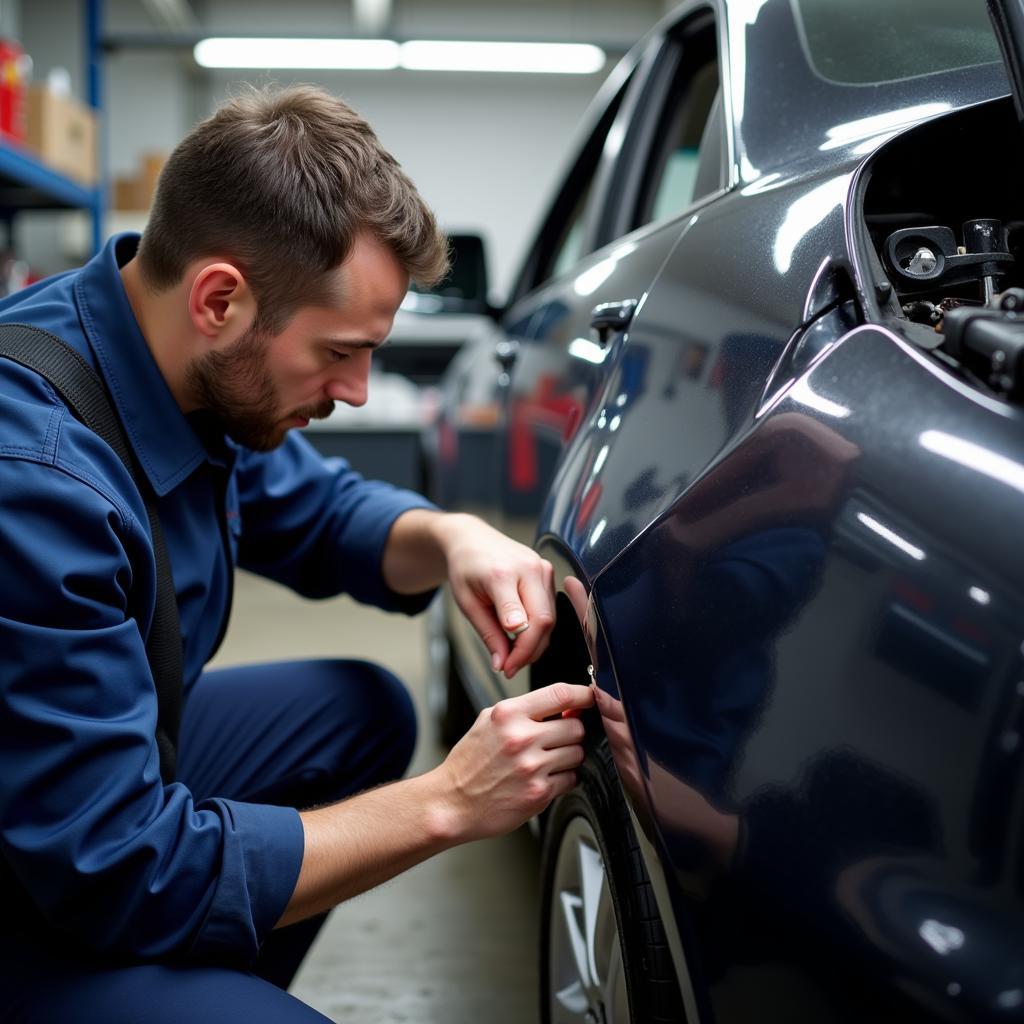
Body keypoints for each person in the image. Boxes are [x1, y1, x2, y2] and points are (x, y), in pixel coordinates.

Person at [0, 85, 591, 1022]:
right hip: (52, 883)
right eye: (339, 354)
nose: (358, 392)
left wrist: (455, 538)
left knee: (356, 711)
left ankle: (192, 992)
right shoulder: (35, 482)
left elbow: (321, 513)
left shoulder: (174, 359)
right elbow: (118, 872)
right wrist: (448, 803)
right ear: (221, 298)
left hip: (68, 806)